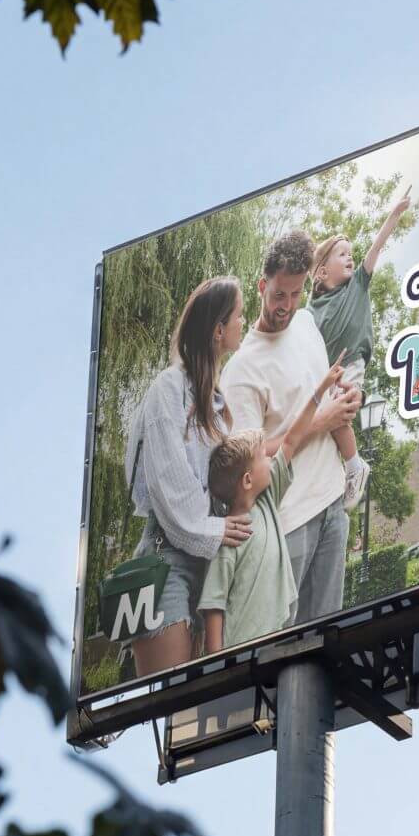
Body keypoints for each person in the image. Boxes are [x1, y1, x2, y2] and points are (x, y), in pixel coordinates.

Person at [221, 230, 363, 627]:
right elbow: (247, 464)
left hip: (333, 505)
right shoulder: (241, 371)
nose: (286, 306)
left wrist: (346, 396)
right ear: (262, 286)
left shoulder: (306, 324)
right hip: (289, 523)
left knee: (330, 638)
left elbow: (323, 388)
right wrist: (319, 423)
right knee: (288, 653)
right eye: (279, 295)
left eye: (296, 294)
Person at [123, 276, 253, 678]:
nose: (243, 323)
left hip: (209, 565)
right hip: (167, 564)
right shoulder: (168, 390)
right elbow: (171, 489)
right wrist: (215, 528)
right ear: (218, 330)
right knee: (176, 705)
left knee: (200, 718)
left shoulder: (215, 399)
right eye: (238, 316)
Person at [199, 363, 346, 651]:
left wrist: (320, 391)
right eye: (262, 458)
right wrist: (216, 667)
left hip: (275, 641)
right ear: (248, 479)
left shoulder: (267, 501)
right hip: (240, 653)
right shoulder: (230, 540)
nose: (271, 459)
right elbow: (213, 607)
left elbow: (292, 439)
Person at [308, 185, 413, 508]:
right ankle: (340, 467)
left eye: (350, 252)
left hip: (351, 363)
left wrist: (394, 215)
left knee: (339, 405)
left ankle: (355, 465)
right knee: (324, 412)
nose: (350, 257)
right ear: (323, 271)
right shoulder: (311, 309)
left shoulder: (358, 284)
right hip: (325, 371)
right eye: (342, 254)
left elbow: (375, 249)